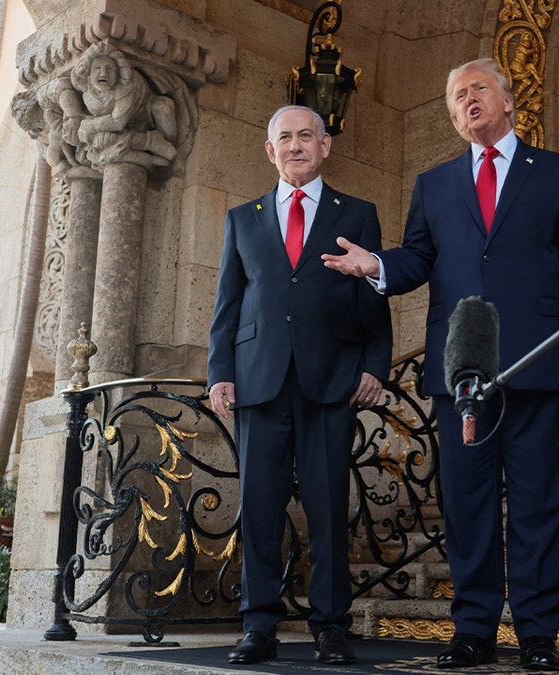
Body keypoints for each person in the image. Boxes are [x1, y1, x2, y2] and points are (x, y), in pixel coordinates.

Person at [322, 58, 559, 671]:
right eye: (453, 97)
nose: (463, 101)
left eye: (475, 89)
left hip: (538, 359)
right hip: (462, 366)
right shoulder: (434, 183)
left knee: (536, 503)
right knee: (468, 503)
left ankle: (537, 635)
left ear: (508, 100)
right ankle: (472, 630)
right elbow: (418, 258)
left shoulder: (556, 172)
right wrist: (378, 267)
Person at [207, 105, 392, 667]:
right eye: (283, 138)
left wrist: (374, 365)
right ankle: (258, 625)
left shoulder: (358, 213)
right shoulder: (243, 217)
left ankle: (330, 625)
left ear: (324, 145)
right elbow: (228, 304)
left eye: (305, 136)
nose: (294, 146)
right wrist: (220, 372)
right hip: (259, 380)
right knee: (259, 507)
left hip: (331, 378)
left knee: (329, 506)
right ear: (270, 150)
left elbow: (373, 299)